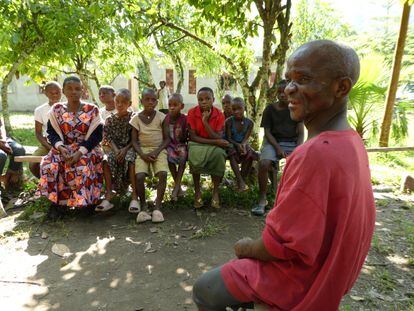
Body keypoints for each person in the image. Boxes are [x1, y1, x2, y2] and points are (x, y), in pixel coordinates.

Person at [192, 40, 376, 310]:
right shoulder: (352, 141)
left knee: (204, 289)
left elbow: (282, 247)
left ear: (342, 87)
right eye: (289, 79)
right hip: (332, 274)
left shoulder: (315, 153)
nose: (289, 88)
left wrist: (246, 248)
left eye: (303, 79)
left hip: (300, 280)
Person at [38, 76, 104, 219]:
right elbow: (52, 132)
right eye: (70, 89)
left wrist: (79, 153)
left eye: (77, 89)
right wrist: (61, 148)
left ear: (82, 91)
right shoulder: (57, 110)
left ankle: (86, 204)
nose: (74, 92)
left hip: (88, 148)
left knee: (82, 165)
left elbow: (97, 136)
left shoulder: (92, 110)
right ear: (64, 91)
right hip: (64, 148)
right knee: (49, 165)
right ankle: (58, 204)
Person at [251, 80, 304, 216]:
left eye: (285, 92)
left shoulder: (296, 108)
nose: (282, 95)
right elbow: (267, 132)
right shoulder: (270, 109)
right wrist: (278, 148)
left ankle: (292, 201)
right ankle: (262, 199)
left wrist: (298, 149)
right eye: (279, 92)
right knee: (264, 163)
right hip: (272, 142)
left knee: (298, 166)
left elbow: (301, 132)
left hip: (291, 142)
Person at [130, 88, 169, 223]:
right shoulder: (136, 119)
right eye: (147, 99)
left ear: (157, 102)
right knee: (139, 176)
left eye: (153, 100)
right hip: (143, 151)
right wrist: (142, 154)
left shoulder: (161, 117)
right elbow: (134, 141)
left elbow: (167, 139)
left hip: (159, 150)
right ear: (141, 101)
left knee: (162, 174)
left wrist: (156, 152)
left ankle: (158, 207)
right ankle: (144, 206)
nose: (150, 102)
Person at [96, 89, 138, 212]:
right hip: (115, 149)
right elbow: (107, 138)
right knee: (106, 160)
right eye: (117, 102)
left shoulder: (134, 118)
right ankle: (109, 193)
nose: (119, 105)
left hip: (130, 148)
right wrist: (116, 150)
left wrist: (124, 149)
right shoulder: (110, 119)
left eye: (123, 102)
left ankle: (135, 196)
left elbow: (135, 138)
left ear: (129, 104)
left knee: (130, 160)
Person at [187, 87, 228, 209]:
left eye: (207, 99)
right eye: (200, 99)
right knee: (193, 153)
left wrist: (205, 122)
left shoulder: (219, 115)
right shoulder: (192, 113)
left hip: (213, 144)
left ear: (213, 100)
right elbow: (193, 137)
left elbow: (218, 135)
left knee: (219, 154)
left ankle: (215, 192)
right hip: (198, 143)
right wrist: (216, 141)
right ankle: (197, 192)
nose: (204, 102)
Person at [29, 81, 62, 178]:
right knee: (33, 164)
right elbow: (38, 133)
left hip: (66, 144)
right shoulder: (40, 110)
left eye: (57, 93)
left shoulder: (67, 107)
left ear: (62, 92)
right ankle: (45, 184)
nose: (55, 95)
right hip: (49, 144)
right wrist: (49, 147)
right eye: (52, 93)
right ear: (45, 93)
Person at [225, 97, 257, 192]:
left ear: (245, 108)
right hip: (232, 144)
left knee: (249, 153)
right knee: (232, 152)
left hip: (243, 144)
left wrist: (242, 145)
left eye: (239, 109)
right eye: (234, 109)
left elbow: (246, 139)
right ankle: (240, 181)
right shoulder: (229, 121)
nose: (236, 112)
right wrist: (237, 145)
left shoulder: (250, 123)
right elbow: (229, 138)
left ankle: (242, 179)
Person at [165, 93, 188, 202]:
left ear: (181, 106)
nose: (172, 107)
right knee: (169, 157)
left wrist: (182, 136)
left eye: (175, 105)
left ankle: (177, 187)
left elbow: (186, 137)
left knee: (183, 158)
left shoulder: (184, 119)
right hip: (169, 144)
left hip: (181, 145)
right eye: (170, 105)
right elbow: (165, 137)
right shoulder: (166, 118)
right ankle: (177, 186)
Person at [0, 117, 26, 189]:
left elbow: (1, 127)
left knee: (19, 150)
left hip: (2, 139)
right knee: (1, 155)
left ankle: (7, 179)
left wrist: (4, 140)